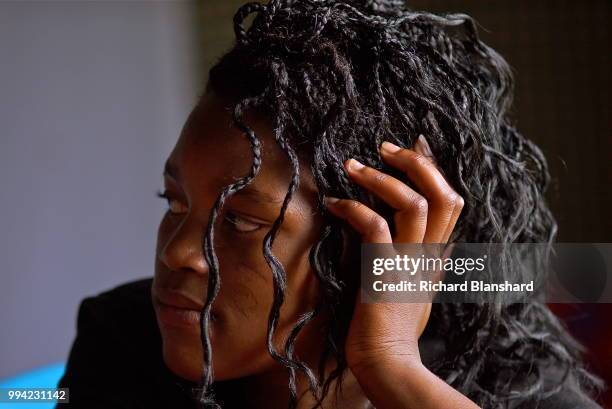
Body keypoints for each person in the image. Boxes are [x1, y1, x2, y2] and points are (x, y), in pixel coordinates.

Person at [57, 0, 604, 408]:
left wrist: (390, 368)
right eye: (174, 204)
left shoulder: (510, 382)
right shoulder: (124, 338)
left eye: (244, 221)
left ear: (368, 242)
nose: (179, 254)